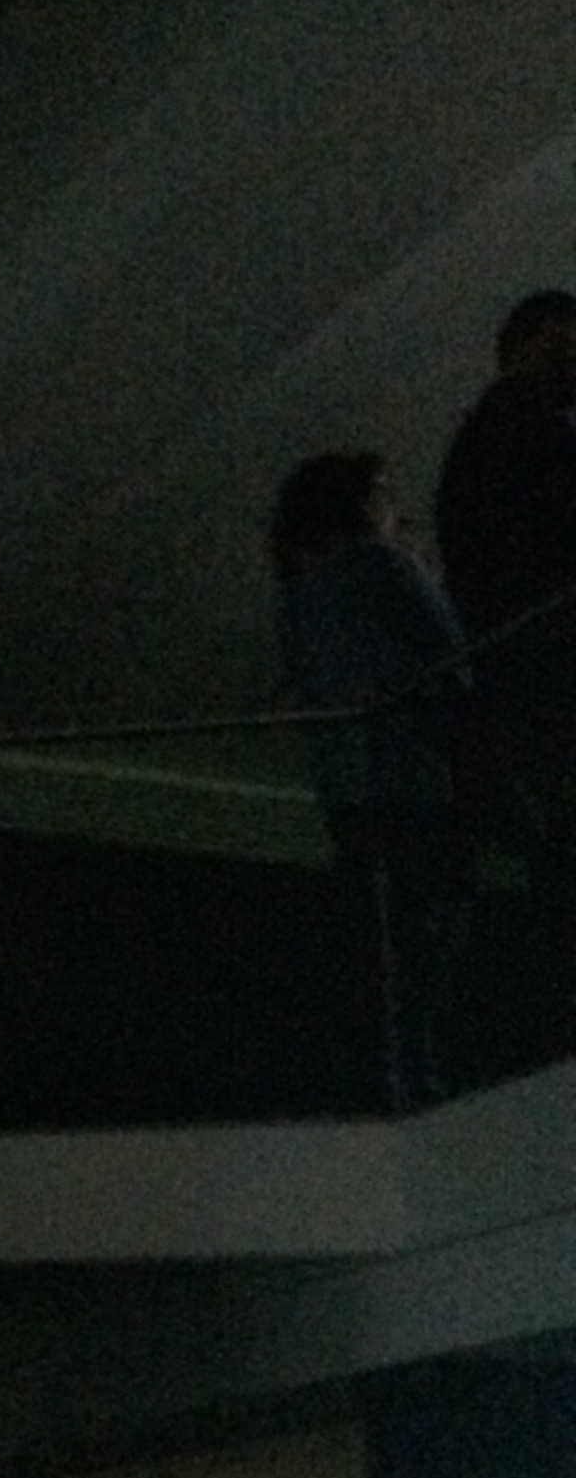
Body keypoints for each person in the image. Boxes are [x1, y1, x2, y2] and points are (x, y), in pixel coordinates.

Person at [273, 450, 470, 1109]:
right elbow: (453, 651)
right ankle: (420, 1061)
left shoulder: (297, 592)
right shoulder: (382, 563)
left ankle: (382, 1071)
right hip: (411, 768)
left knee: (374, 932)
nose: (394, 506)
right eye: (382, 492)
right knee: (435, 916)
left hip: (345, 781)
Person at [433, 289, 576, 849]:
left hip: (524, 654)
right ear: (527, 346)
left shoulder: (497, 435)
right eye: (563, 348)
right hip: (541, 653)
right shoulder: (517, 432)